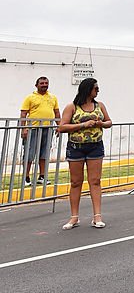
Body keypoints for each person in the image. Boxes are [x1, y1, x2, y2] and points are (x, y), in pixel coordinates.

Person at [58, 78, 112, 229]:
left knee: (95, 180)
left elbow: (109, 122)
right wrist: (83, 124)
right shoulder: (72, 107)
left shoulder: (99, 105)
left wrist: (101, 124)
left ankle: (97, 216)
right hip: (76, 147)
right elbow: (62, 127)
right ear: (88, 89)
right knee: (76, 182)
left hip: (95, 146)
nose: (98, 90)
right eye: (95, 88)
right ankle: (74, 217)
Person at [20, 76, 61, 184]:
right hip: (33, 129)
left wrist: (59, 126)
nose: (44, 85)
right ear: (36, 85)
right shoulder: (30, 97)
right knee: (29, 154)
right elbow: (23, 113)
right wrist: (23, 128)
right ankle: (26, 177)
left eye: (46, 83)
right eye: (42, 83)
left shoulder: (53, 97)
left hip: (48, 129)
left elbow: (56, 112)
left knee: (44, 154)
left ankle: (42, 177)